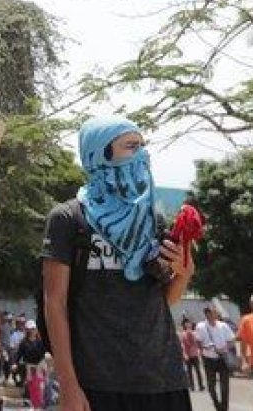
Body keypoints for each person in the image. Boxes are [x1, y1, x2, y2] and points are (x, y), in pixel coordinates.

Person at [41, 116, 192, 411]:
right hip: (97, 383)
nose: (142, 155)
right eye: (131, 146)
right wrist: (68, 384)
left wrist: (185, 275)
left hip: (163, 379)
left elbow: (162, 300)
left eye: (143, 146)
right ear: (99, 154)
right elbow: (54, 303)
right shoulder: (68, 219)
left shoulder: (153, 218)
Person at [195, 305, 236, 411]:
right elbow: (198, 342)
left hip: (222, 358)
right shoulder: (200, 326)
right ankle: (217, 405)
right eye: (213, 312)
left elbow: (231, 340)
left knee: (224, 385)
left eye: (216, 312)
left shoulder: (223, 325)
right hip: (208, 358)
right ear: (207, 314)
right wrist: (205, 347)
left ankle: (224, 407)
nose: (216, 314)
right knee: (211, 386)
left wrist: (224, 348)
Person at [180, 318, 205, 391]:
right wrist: (185, 354)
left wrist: (200, 351)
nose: (188, 324)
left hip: (195, 354)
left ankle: (201, 385)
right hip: (188, 355)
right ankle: (191, 386)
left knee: (198, 371)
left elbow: (197, 343)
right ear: (184, 325)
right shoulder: (183, 334)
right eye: (186, 323)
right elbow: (183, 345)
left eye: (189, 323)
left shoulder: (194, 333)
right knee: (189, 372)